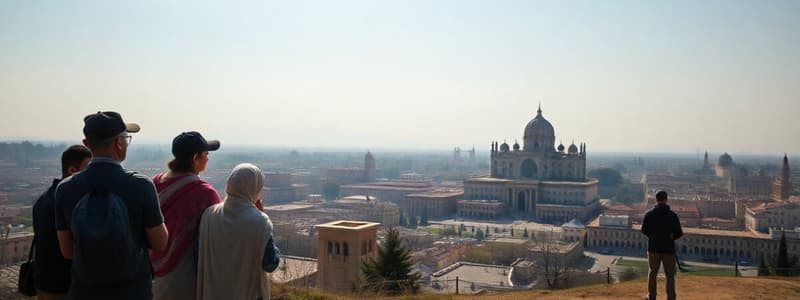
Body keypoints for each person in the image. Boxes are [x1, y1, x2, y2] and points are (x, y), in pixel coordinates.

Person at [55, 111, 168, 300]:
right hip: (132, 291)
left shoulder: (65, 189)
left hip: (85, 291)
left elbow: (67, 251)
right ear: (118, 143)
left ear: (86, 144)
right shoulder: (141, 185)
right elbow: (160, 242)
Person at [150, 132, 221, 300]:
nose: (208, 158)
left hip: (150, 273)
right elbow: (217, 234)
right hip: (184, 277)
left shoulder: (153, 183)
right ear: (196, 158)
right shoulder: (205, 194)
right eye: (206, 154)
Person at [197, 163, 280, 300]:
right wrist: (264, 221)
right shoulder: (260, 223)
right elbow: (270, 263)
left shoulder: (209, 215)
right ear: (254, 188)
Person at [32, 145, 92, 299]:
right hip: (62, 284)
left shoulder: (46, 198)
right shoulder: (66, 201)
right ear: (72, 170)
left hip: (46, 280)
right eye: (88, 169)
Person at [641, 190, 683, 300]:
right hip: (668, 249)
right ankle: (671, 297)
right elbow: (679, 233)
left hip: (653, 248)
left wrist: (653, 236)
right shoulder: (673, 216)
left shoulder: (649, 215)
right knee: (669, 275)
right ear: (666, 200)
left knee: (652, 273)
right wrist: (671, 237)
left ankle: (651, 296)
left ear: (656, 200)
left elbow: (644, 230)